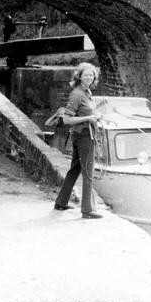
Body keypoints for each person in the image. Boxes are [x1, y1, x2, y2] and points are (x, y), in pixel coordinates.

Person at [53, 62, 103, 219]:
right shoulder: (77, 94)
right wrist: (89, 118)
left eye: (91, 75)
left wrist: (96, 114)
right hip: (84, 137)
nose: (89, 77)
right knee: (88, 171)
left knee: (75, 169)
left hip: (81, 134)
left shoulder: (87, 92)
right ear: (79, 76)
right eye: (86, 75)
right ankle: (88, 210)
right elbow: (67, 119)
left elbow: (86, 110)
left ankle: (61, 202)